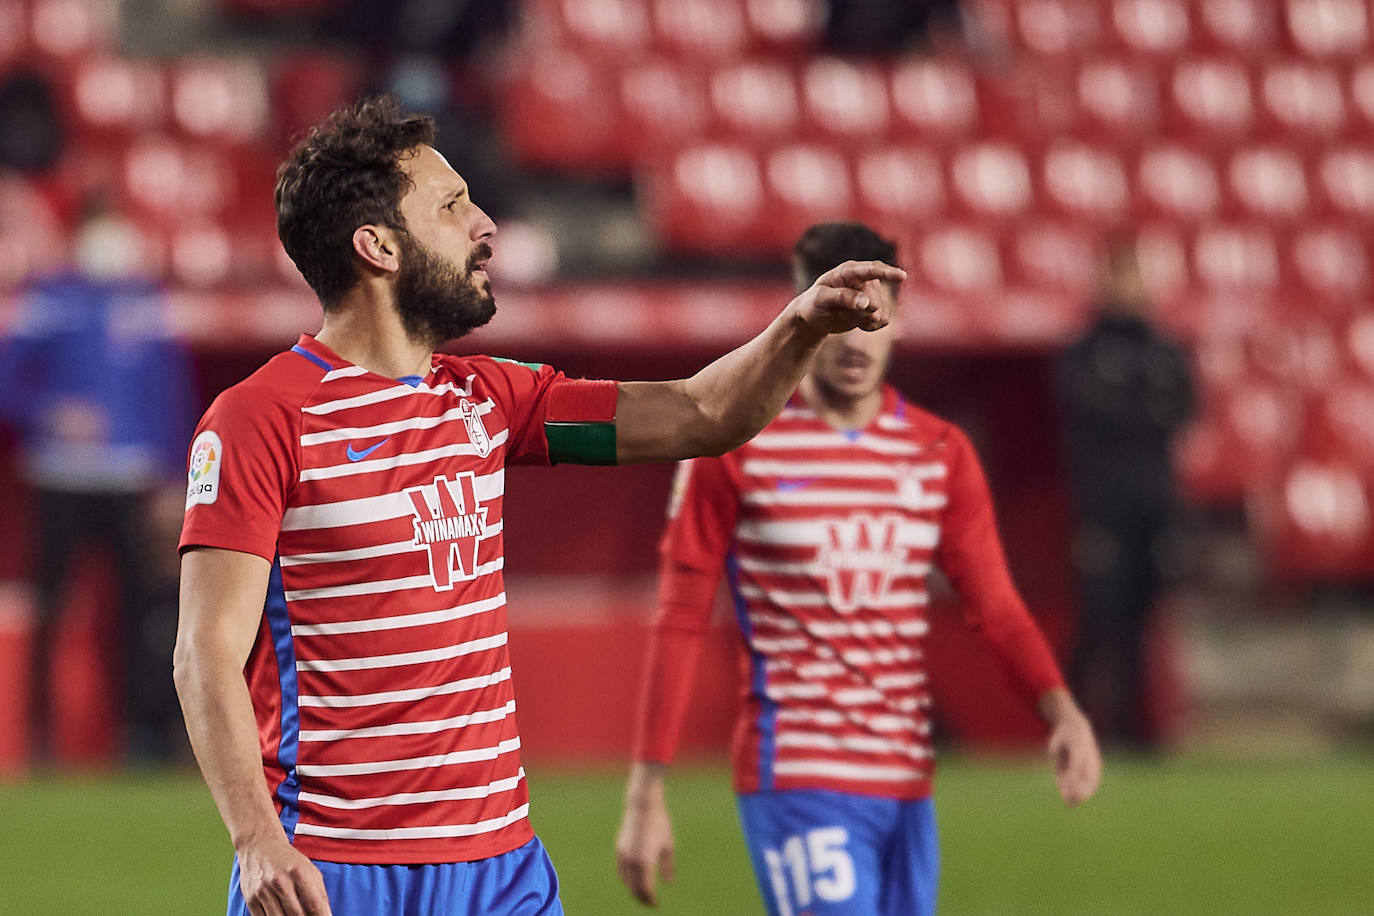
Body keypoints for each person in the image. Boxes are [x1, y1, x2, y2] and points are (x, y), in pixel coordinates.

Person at [172, 97, 903, 916]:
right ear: (377, 248)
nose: (485, 224)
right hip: (336, 873)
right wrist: (254, 837)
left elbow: (701, 414)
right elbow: (205, 656)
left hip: (500, 870)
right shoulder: (262, 419)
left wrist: (798, 327)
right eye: (451, 207)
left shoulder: (490, 401)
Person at [614, 222, 1102, 916]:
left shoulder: (939, 451)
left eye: (872, 317)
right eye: (840, 315)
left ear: (898, 321)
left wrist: (1061, 711)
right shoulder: (734, 446)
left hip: (905, 782)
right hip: (797, 774)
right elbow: (680, 617)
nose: (855, 339)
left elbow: (992, 604)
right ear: (806, 311)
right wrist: (647, 790)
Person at [0, 199, 194, 765]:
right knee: (51, 605)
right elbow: (8, 383)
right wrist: (47, 412)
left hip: (130, 479)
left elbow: (170, 393)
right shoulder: (47, 296)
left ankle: (142, 736)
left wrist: (174, 476)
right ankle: (37, 736)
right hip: (60, 474)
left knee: (144, 610)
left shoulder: (145, 300)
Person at [1057, 237, 1196, 750]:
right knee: (1099, 618)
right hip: (1102, 506)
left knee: (1142, 617)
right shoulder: (1085, 349)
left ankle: (1135, 735)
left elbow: (1180, 411)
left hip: (1155, 503)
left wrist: (1129, 409)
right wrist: (1141, 409)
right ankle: (1068, 728)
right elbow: (1094, 414)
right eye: (1122, 276)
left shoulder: (1166, 349)